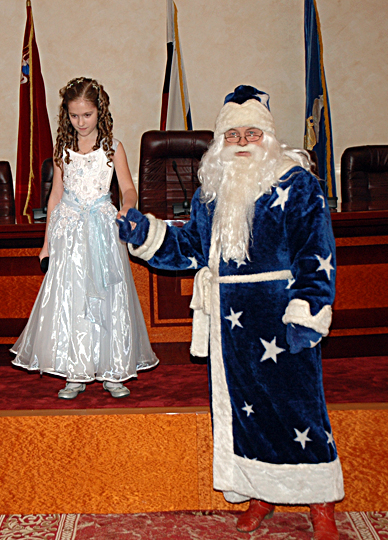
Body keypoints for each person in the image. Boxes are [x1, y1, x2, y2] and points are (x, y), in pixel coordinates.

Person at [118, 86, 343, 540]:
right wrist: (146, 233)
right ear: (220, 141)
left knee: (300, 408)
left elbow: (316, 253)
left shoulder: (298, 185)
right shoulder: (211, 194)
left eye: (251, 133)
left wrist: (308, 311)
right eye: (233, 134)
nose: (242, 142)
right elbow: (190, 249)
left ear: (268, 136)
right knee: (248, 413)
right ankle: (260, 494)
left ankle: (321, 503)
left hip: (283, 318)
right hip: (231, 328)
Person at [12, 77, 158, 399]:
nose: (80, 122)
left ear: (99, 112)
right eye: (74, 115)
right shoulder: (62, 151)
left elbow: (129, 189)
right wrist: (46, 244)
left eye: (87, 115)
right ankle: (75, 371)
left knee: (107, 297)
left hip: (103, 229)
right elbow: (54, 198)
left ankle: (113, 369)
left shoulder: (112, 148)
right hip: (69, 233)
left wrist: (127, 207)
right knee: (73, 300)